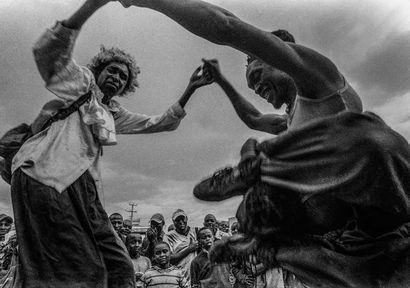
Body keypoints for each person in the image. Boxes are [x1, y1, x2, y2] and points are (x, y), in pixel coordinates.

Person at [119, 1, 410, 287]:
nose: (257, 88)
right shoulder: (291, 119)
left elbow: (226, 25)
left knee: (371, 136)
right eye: (252, 86)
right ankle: (265, 235)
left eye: (258, 76)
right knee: (260, 156)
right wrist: (220, 80)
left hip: (372, 184)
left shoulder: (321, 80)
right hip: (344, 229)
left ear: (282, 58)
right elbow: (254, 118)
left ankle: (262, 178)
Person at [10, 0, 213, 287]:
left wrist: (191, 88)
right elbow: (49, 52)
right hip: (45, 173)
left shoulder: (112, 113)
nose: (117, 78)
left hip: (82, 186)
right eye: (113, 71)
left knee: (118, 266)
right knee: (76, 269)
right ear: (99, 70)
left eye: (123, 77)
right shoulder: (79, 86)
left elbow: (161, 122)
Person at [165, 209, 197, 284]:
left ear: (187, 219)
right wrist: (189, 249)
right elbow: (169, 258)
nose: (180, 221)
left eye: (183, 219)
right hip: (178, 276)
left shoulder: (195, 232)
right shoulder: (168, 236)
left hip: (194, 275)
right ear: (173, 222)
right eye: (177, 220)